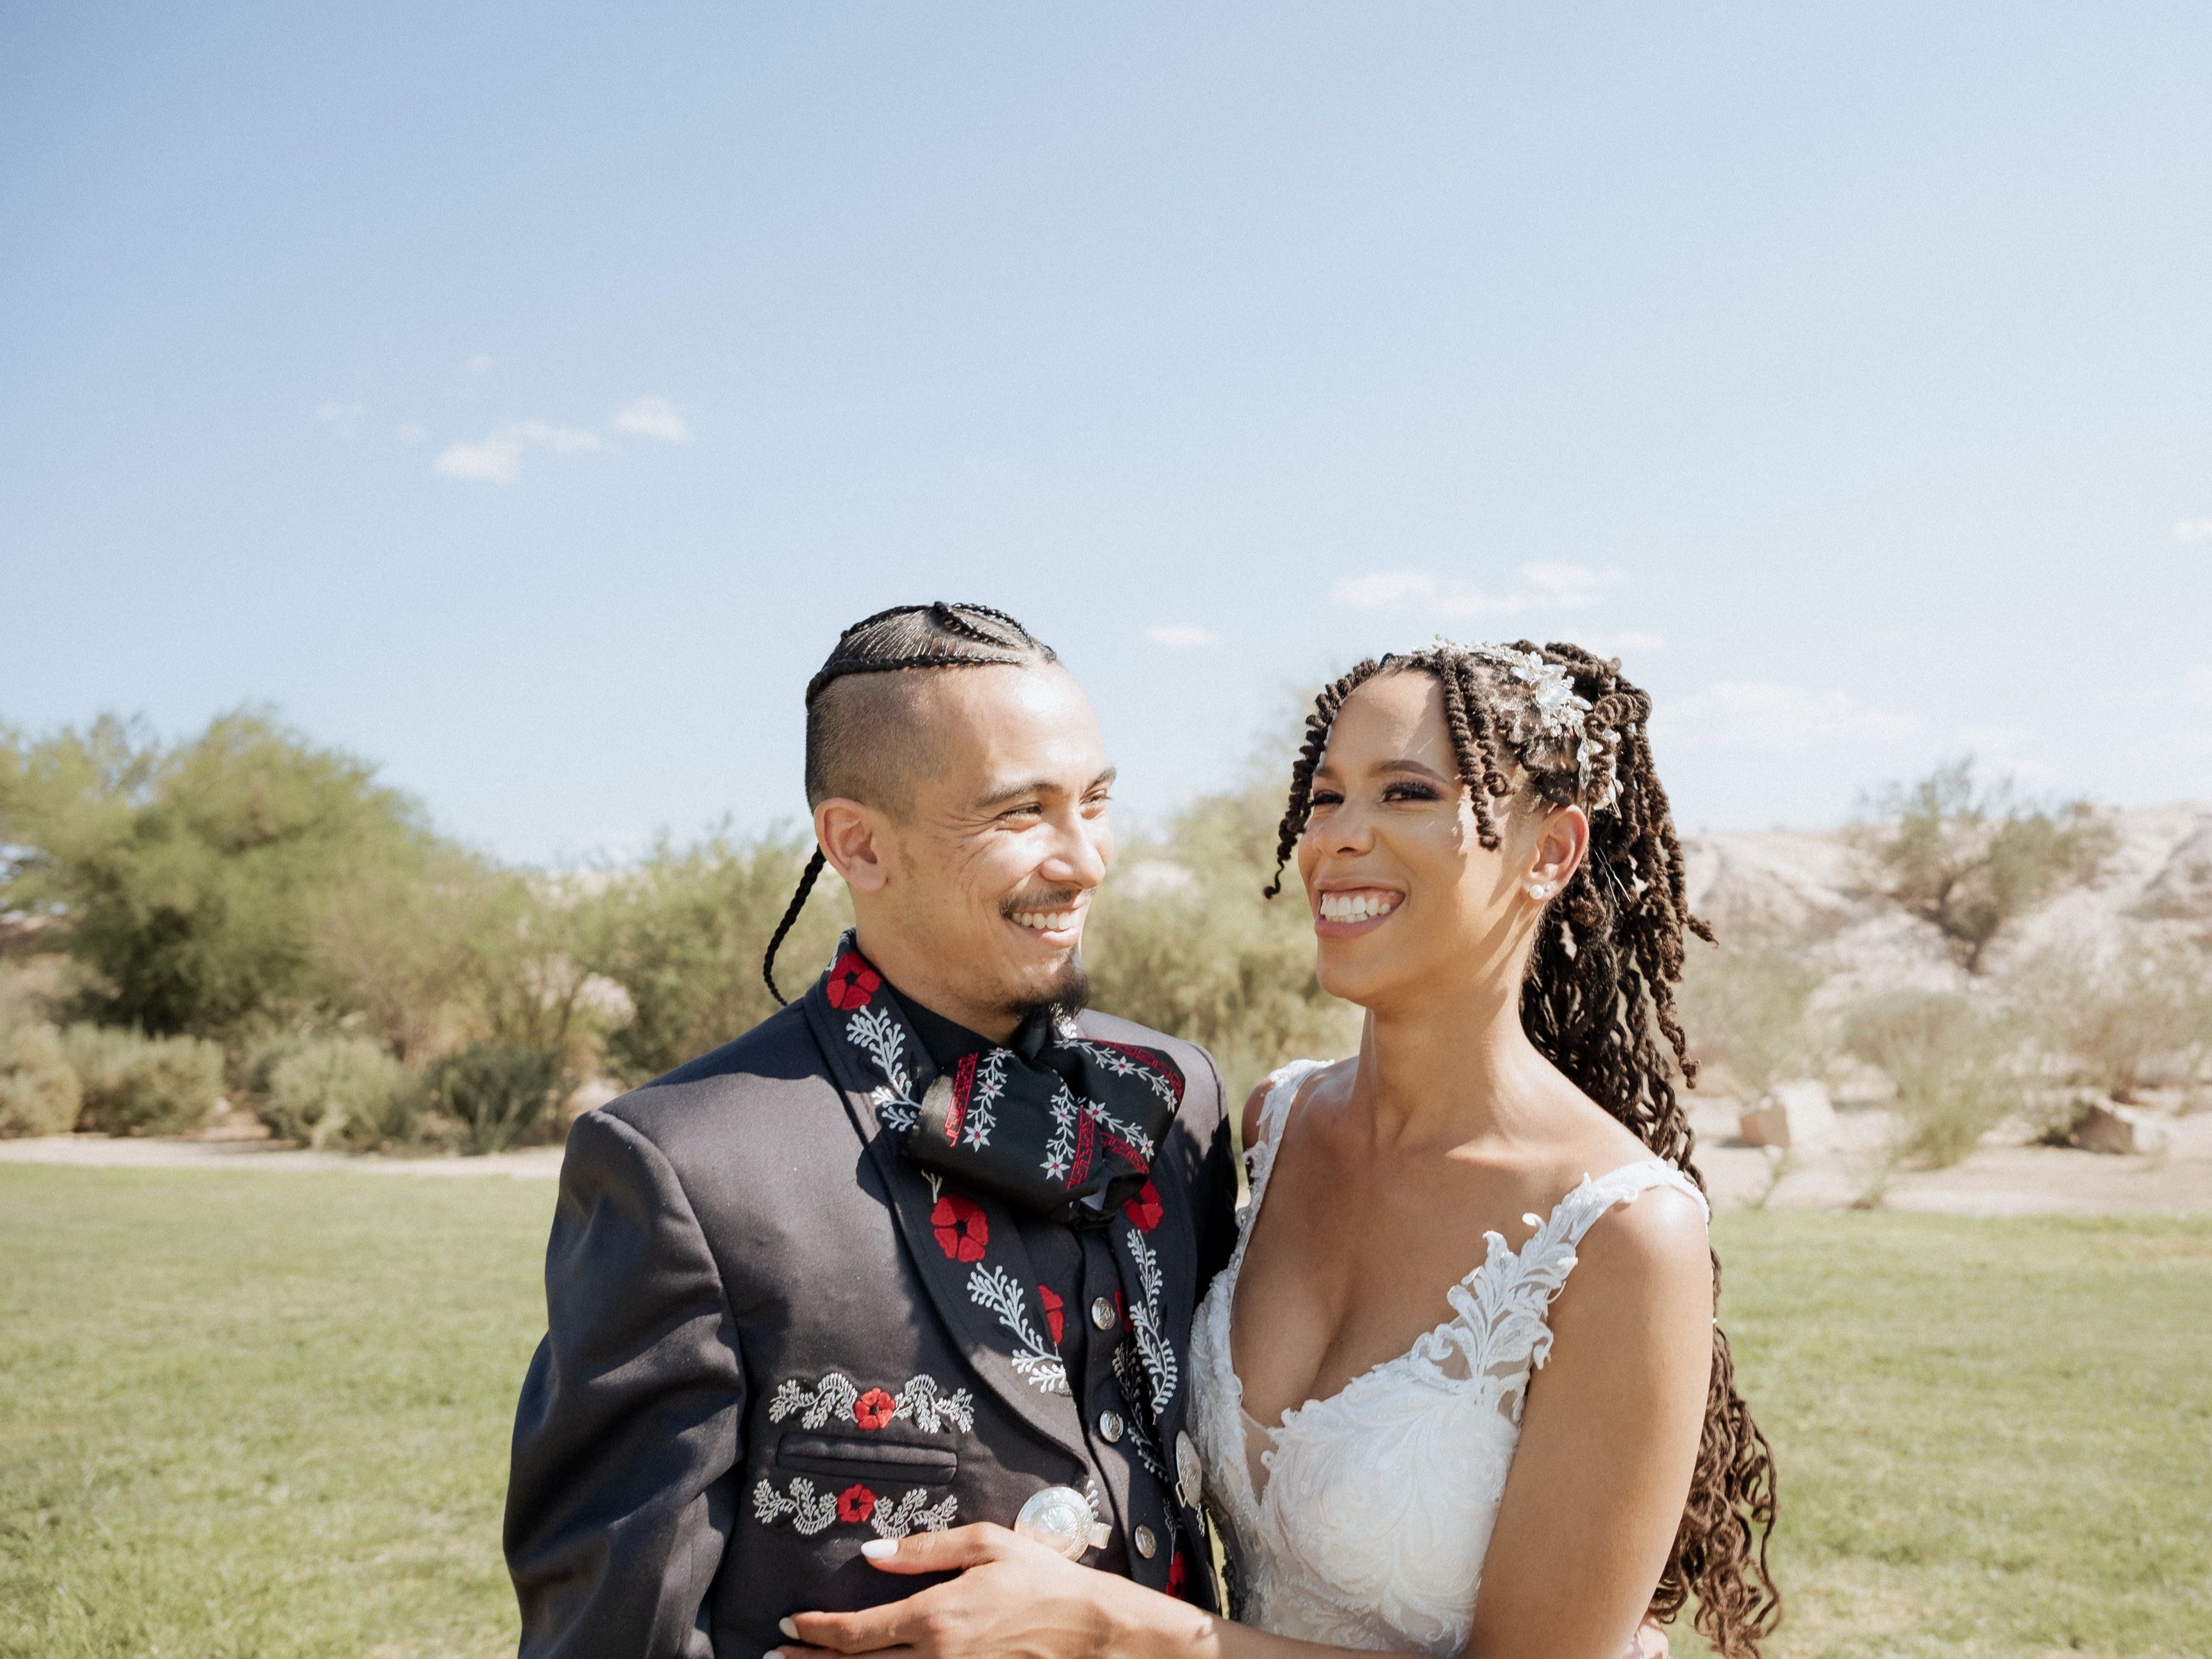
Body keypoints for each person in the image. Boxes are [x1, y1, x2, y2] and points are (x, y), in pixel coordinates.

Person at [771, 639, 1783, 1659]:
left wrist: (1112, 1628)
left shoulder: (1625, 1234)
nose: (1339, 838)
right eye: (1329, 796)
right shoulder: (1274, 1124)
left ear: (1550, 854)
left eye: (1408, 793)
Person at [504, 603, 1238, 1658]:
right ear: (858, 843)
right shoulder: (681, 1167)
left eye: (1096, 800)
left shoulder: (1177, 1097)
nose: (1086, 861)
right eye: (1020, 813)